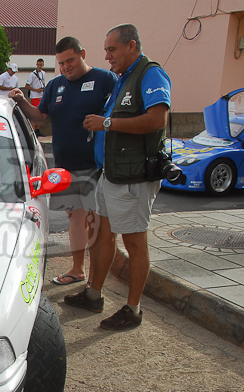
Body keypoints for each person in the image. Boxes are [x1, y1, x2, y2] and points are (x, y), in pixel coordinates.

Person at [64, 23, 171, 331]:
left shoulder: (150, 74)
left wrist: (107, 123)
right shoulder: (125, 78)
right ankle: (93, 295)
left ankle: (133, 309)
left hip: (133, 178)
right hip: (112, 174)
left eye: (112, 49)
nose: (107, 56)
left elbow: (157, 119)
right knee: (103, 235)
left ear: (131, 46)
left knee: (134, 243)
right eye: (106, 50)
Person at [10, 36, 117, 288]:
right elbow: (41, 116)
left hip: (95, 166)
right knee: (74, 218)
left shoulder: (105, 79)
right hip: (65, 167)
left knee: (95, 221)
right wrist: (21, 101)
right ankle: (78, 270)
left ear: (82, 54)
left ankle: (95, 280)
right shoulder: (56, 85)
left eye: (70, 60)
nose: (66, 66)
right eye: (61, 63)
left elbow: (117, 115)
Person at [25, 59, 47, 134]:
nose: (39, 66)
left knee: (40, 112)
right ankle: (33, 130)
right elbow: (27, 86)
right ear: (36, 65)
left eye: (41, 65)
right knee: (34, 113)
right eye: (38, 65)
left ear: (43, 65)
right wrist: (36, 90)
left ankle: (38, 130)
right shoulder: (32, 74)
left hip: (41, 95)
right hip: (34, 96)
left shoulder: (43, 73)